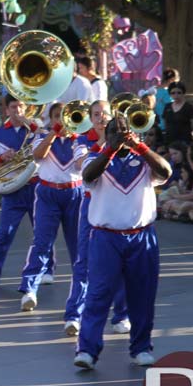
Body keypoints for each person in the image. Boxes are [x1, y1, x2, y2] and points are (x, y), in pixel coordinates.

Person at [74, 114, 171, 370]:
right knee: (98, 294)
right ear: (106, 135)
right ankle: (87, 350)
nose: (120, 135)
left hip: (141, 236)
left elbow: (166, 171)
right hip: (106, 238)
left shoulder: (144, 160)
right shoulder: (96, 159)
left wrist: (140, 146)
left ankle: (141, 348)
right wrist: (110, 148)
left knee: (143, 295)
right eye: (114, 131)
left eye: (123, 131)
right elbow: (88, 175)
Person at [63, 101, 130, 336]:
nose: (101, 118)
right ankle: (74, 314)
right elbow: (82, 166)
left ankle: (121, 315)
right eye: (96, 114)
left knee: (121, 263)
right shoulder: (82, 140)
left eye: (104, 114)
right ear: (90, 118)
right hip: (91, 204)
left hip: (115, 205)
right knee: (83, 261)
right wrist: (106, 144)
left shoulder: (124, 142)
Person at [19, 103, 86, 312]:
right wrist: (53, 135)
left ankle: (81, 294)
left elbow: (79, 164)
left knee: (78, 246)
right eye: (57, 116)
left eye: (65, 117)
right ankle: (30, 289)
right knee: (42, 242)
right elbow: (38, 155)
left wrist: (78, 137)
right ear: (51, 118)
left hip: (74, 194)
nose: (61, 120)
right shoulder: (42, 137)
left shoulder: (79, 141)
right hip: (48, 194)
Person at [0, 95, 41, 288]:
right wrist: (3, 158)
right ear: (7, 111)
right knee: (5, 233)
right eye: (14, 107)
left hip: (34, 185)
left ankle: (47, 270)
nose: (18, 111)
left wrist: (33, 127)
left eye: (21, 106)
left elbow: (46, 146)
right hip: (13, 189)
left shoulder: (34, 129)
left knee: (41, 232)